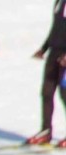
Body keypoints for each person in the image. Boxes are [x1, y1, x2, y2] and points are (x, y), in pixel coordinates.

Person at [29, 1, 66, 146]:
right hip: (53, 54)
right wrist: (44, 48)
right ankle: (45, 130)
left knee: (64, 95)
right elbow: (55, 29)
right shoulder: (58, 2)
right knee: (46, 92)